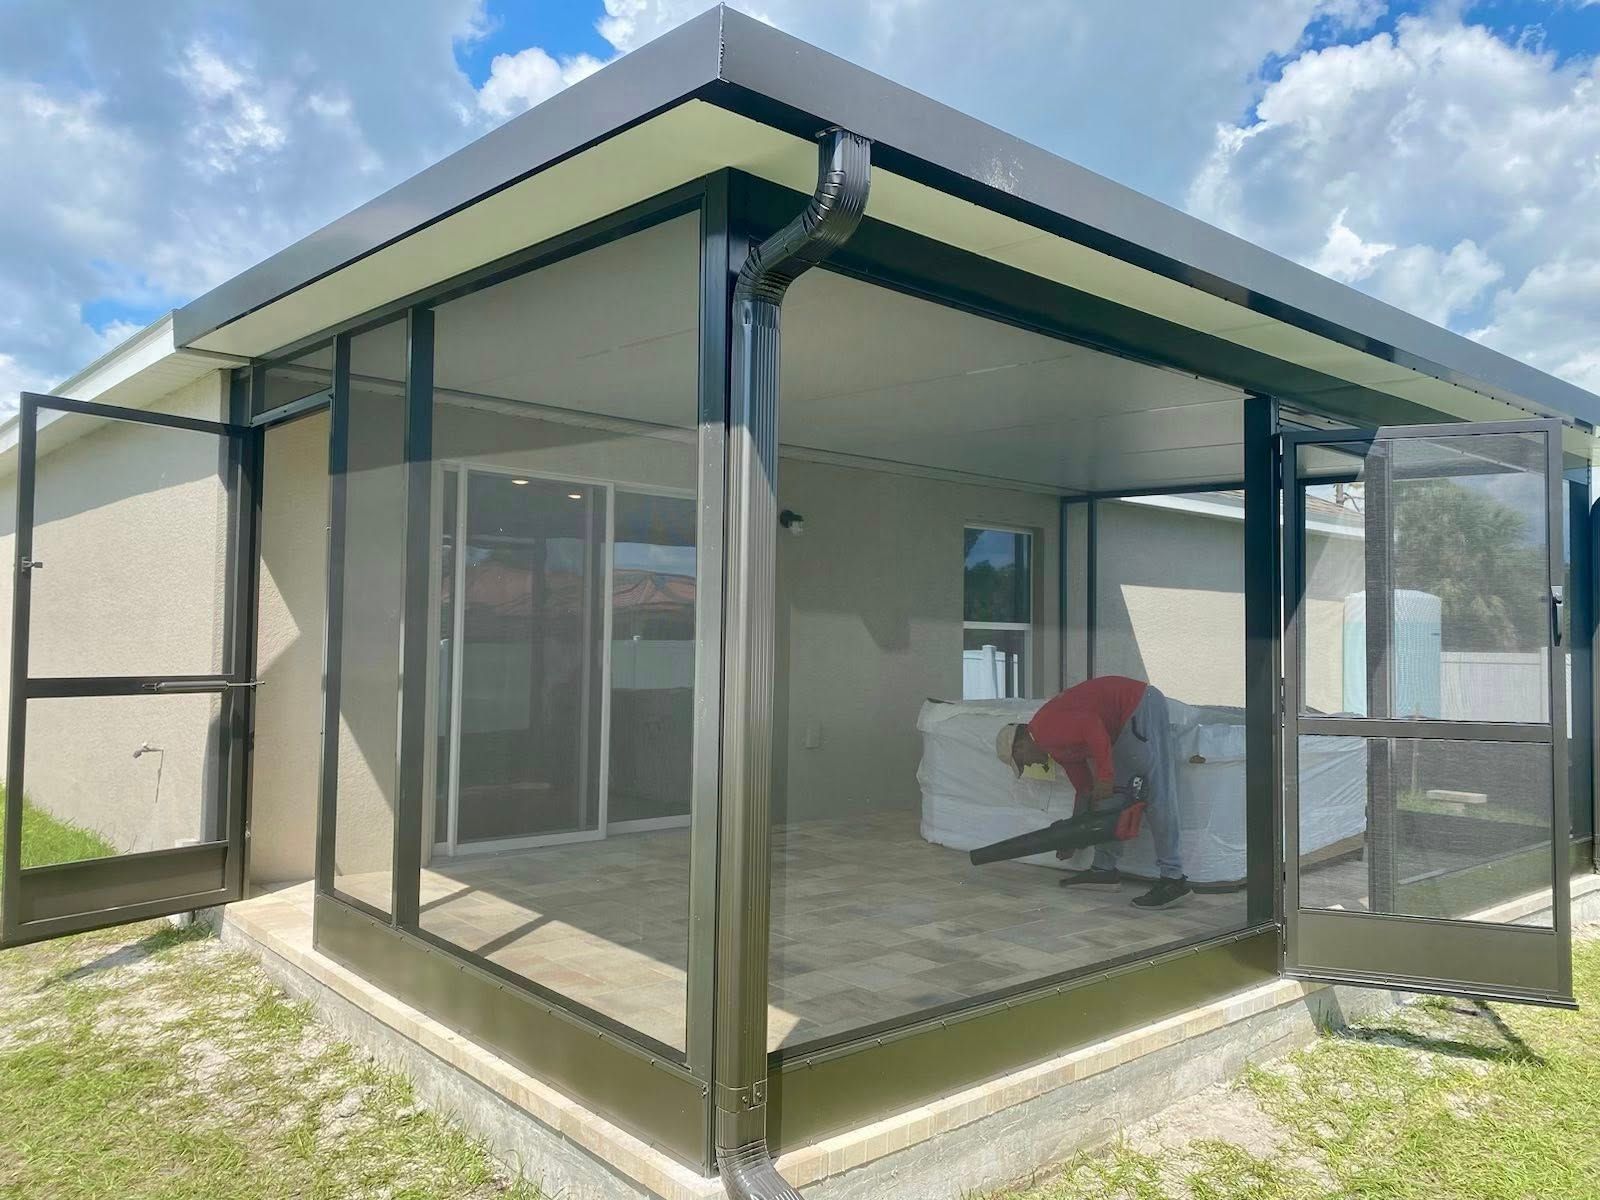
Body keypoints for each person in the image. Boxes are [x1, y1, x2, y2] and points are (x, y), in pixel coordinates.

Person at [994, 675, 1190, 909]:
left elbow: (1091, 725)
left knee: (1156, 791)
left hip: (1138, 704)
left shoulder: (1044, 729)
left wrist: (1106, 777)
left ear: (1020, 745)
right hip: (1127, 717)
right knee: (1113, 799)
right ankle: (1104, 871)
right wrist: (1074, 836)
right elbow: (1085, 790)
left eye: (1023, 761)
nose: (1030, 765)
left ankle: (1173, 879)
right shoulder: (1054, 748)